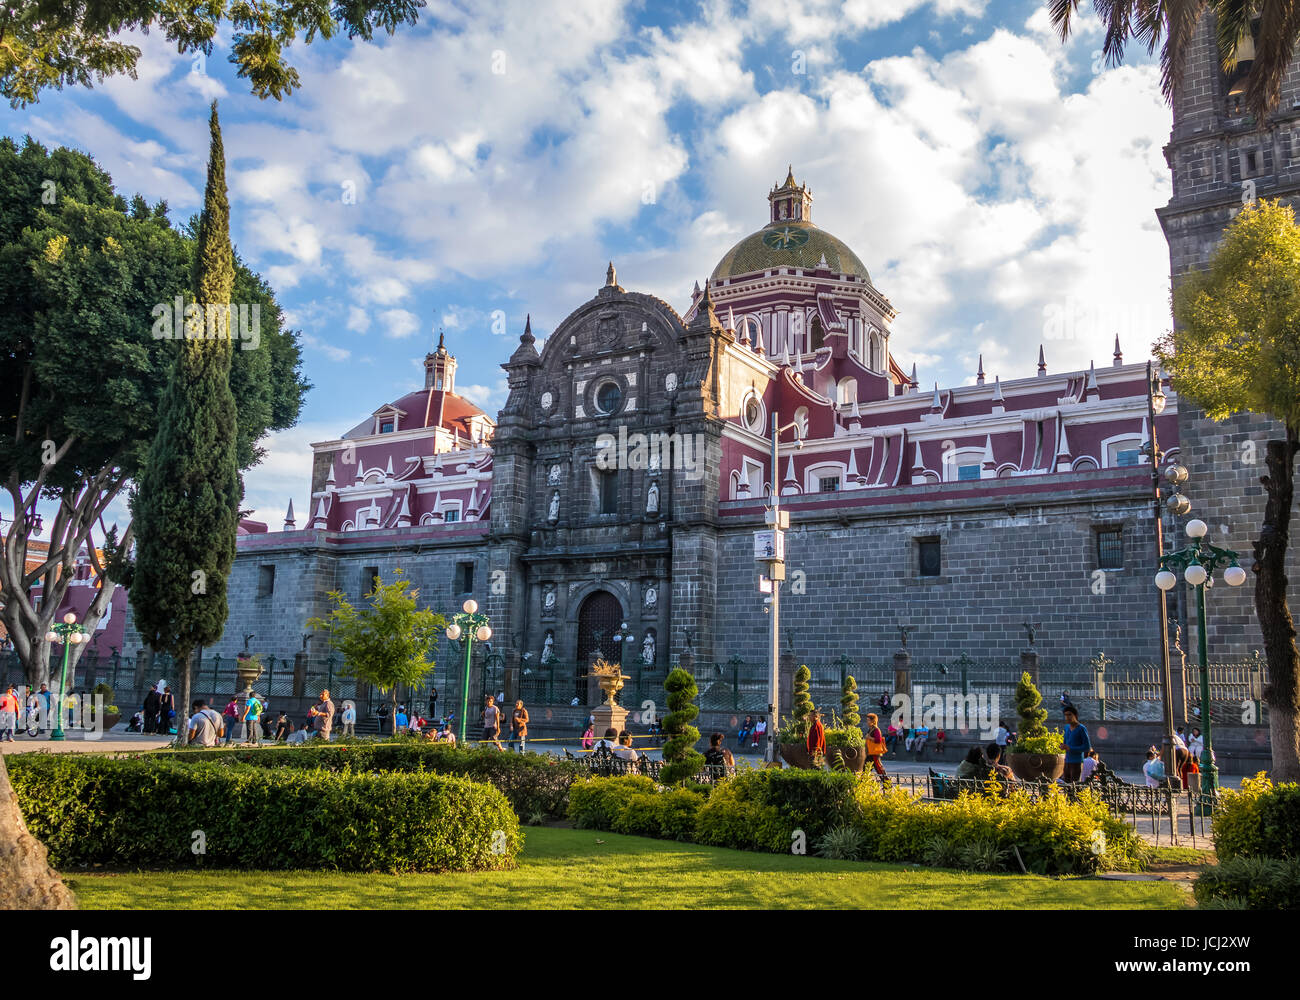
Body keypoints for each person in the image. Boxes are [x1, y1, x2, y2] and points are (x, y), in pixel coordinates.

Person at [1062, 706, 1090, 782]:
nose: (1067, 717)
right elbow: (1065, 742)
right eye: (1066, 715)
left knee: (1075, 787)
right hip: (1067, 761)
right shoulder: (1066, 727)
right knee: (1067, 786)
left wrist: (1071, 748)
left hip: (1076, 762)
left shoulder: (1081, 728)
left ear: (1075, 716)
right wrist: (1062, 746)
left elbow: (1087, 747)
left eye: (1069, 715)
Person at [864, 712, 888, 780]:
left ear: (873, 721)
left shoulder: (876, 729)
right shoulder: (871, 729)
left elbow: (878, 740)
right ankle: (863, 784)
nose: (867, 722)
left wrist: (869, 738)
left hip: (874, 753)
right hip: (870, 753)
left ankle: (887, 784)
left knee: (879, 768)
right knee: (866, 769)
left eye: (868, 720)